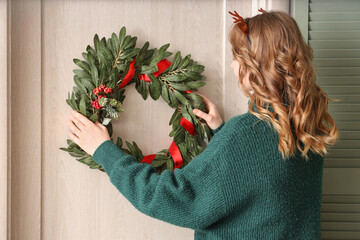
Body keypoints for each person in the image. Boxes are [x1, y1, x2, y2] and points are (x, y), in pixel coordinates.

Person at [66, 9, 339, 240]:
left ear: (255, 66)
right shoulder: (307, 128)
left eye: (237, 57)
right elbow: (263, 190)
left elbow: (174, 197)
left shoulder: (246, 134)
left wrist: (104, 150)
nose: (233, 67)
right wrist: (222, 132)